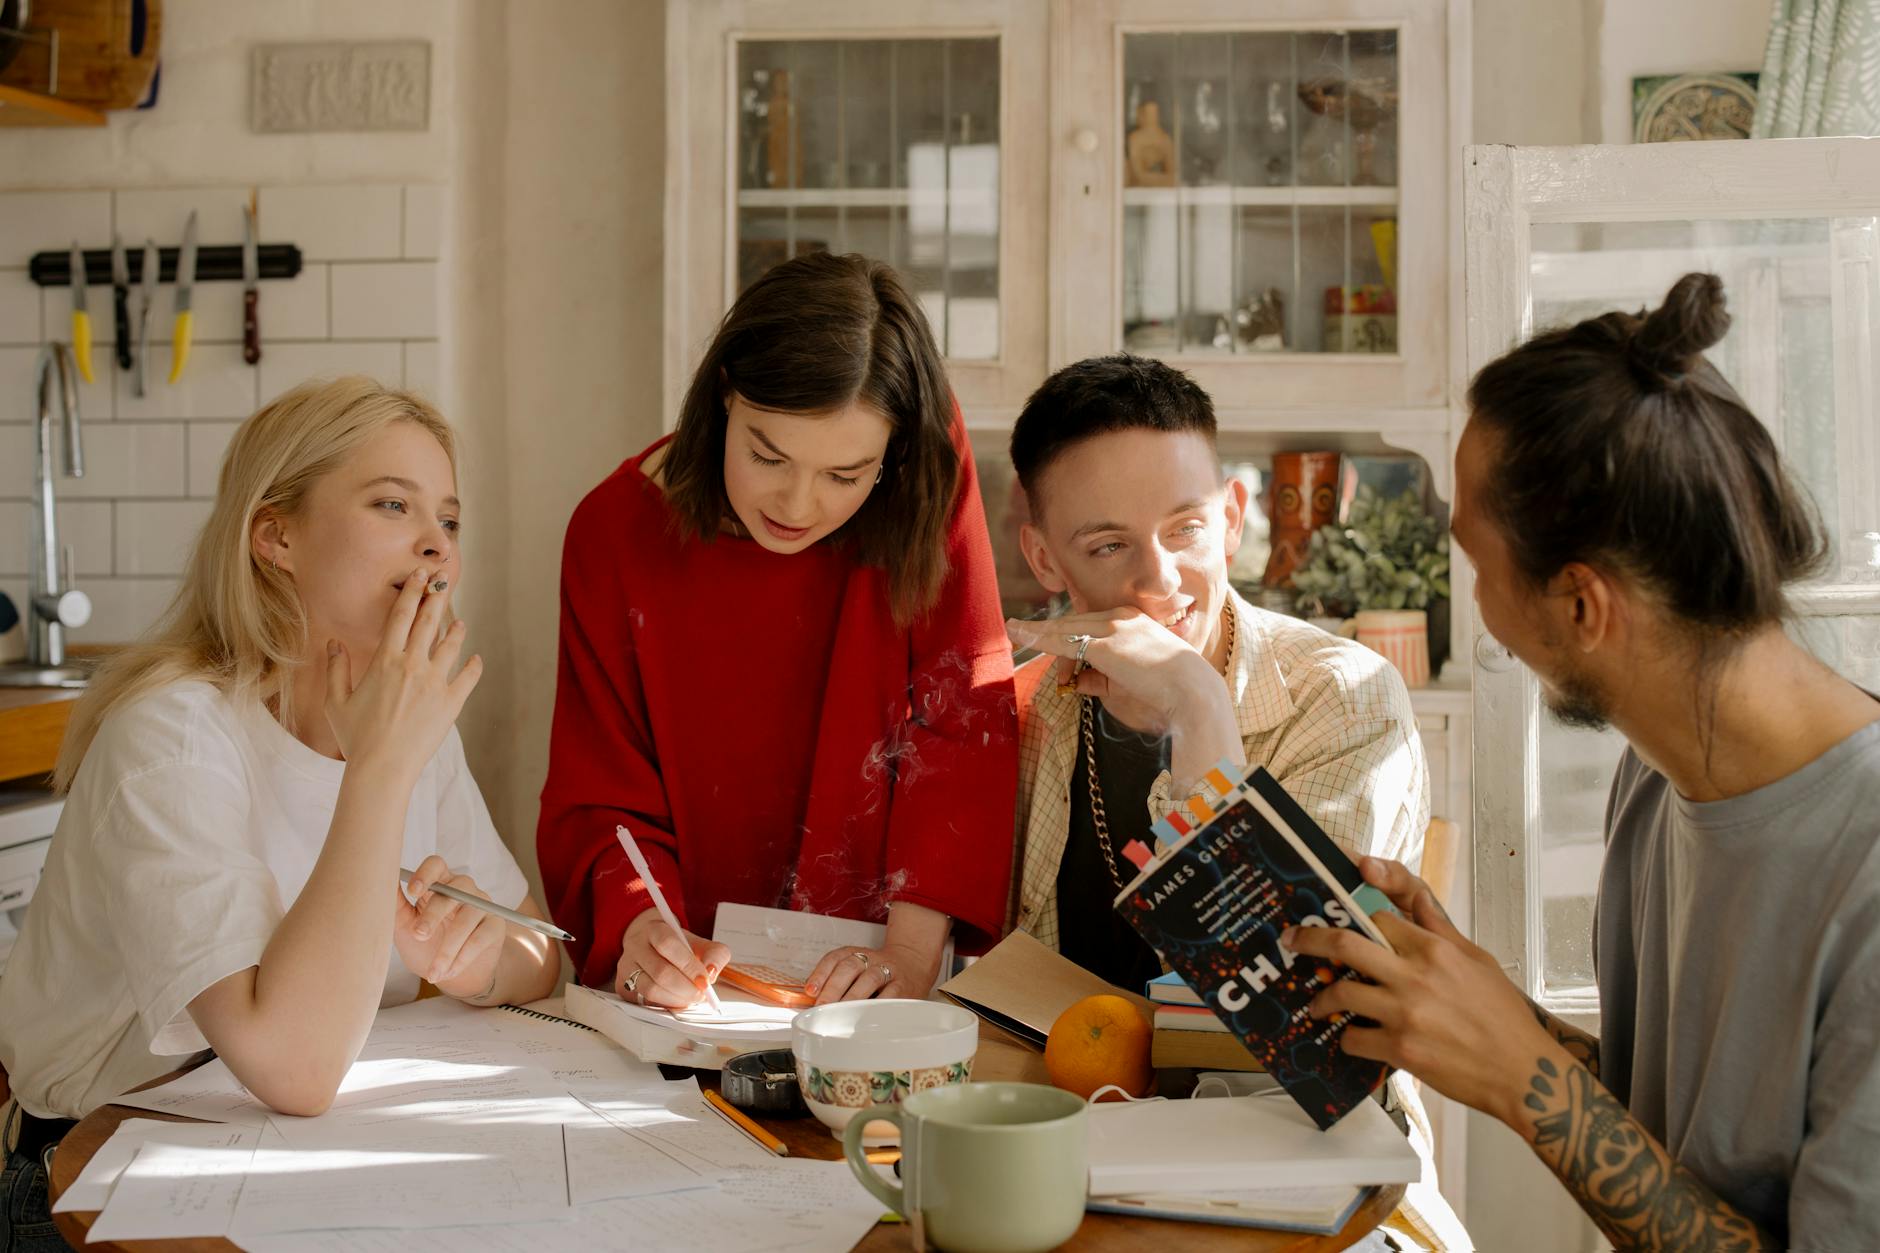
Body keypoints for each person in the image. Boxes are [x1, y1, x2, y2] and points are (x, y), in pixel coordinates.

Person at [1284, 273, 1880, 1251]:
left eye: (1475, 565)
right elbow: (1694, 1137)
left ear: (1580, 605)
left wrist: (1522, 1074)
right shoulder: (1656, 776)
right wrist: (1477, 1004)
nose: (1475, 604)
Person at [0, 378, 558, 1248]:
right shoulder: (173, 738)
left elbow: (537, 948)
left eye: (449, 521)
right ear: (276, 535)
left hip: (309, 1158)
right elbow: (293, 1065)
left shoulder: (407, 725)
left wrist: (476, 960)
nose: (436, 549)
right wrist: (377, 771)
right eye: (391, 504)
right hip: (99, 1177)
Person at [538, 253, 1016, 1011]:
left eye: (846, 474)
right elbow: (601, 795)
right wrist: (639, 931)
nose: (799, 503)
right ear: (725, 393)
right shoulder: (613, 534)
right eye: (768, 454)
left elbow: (961, 714)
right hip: (696, 995)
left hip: (885, 967)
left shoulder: (923, 473)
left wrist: (911, 955)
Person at [1002, 355, 1428, 991]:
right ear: (1044, 559)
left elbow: (1282, 999)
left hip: (1262, 1091)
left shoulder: (1346, 698)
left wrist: (1198, 706)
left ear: (1231, 519)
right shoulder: (1029, 708)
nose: (1159, 581)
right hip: (1061, 1087)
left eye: (1185, 529)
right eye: (1109, 546)